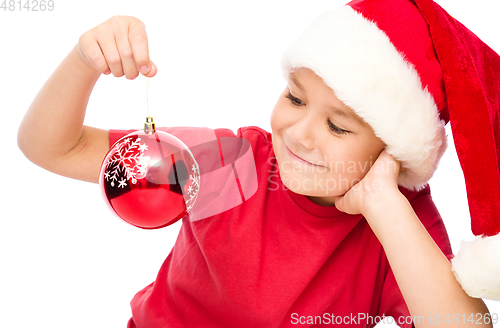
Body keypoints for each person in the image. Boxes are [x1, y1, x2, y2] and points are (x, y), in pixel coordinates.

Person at [17, 0, 500, 327]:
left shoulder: (399, 220)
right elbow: (55, 148)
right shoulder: (235, 164)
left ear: (392, 153)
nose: (300, 132)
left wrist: (384, 206)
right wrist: (85, 59)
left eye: (338, 126)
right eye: (294, 97)